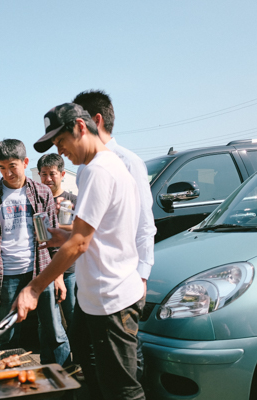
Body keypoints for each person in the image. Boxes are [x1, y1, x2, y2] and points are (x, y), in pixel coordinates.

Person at [15, 103, 145, 399]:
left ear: (81, 127)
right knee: (94, 374)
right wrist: (63, 235)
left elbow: (81, 243)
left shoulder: (97, 170)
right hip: (95, 299)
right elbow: (95, 232)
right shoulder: (104, 166)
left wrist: (34, 288)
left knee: (123, 388)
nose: (60, 151)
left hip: (111, 299)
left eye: (61, 141)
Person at [73, 90, 155, 380]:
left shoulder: (128, 162)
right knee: (88, 358)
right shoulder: (86, 167)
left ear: (93, 121)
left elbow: (145, 225)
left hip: (118, 283)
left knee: (125, 371)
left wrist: (142, 275)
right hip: (90, 283)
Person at [0, 139, 71, 366]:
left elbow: (53, 236)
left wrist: (58, 275)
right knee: (7, 333)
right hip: (7, 274)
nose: (8, 173)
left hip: (41, 270)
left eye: (12, 166)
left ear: (24, 162)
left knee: (54, 331)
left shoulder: (41, 192)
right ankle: (8, 381)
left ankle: (63, 377)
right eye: (2, 167)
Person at [36, 153, 77, 329]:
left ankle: (79, 354)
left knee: (74, 318)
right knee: (48, 324)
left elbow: (84, 230)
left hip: (70, 269)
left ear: (62, 174)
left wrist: (56, 223)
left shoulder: (73, 200)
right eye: (44, 174)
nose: (48, 179)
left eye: (52, 173)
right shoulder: (37, 202)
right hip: (44, 268)